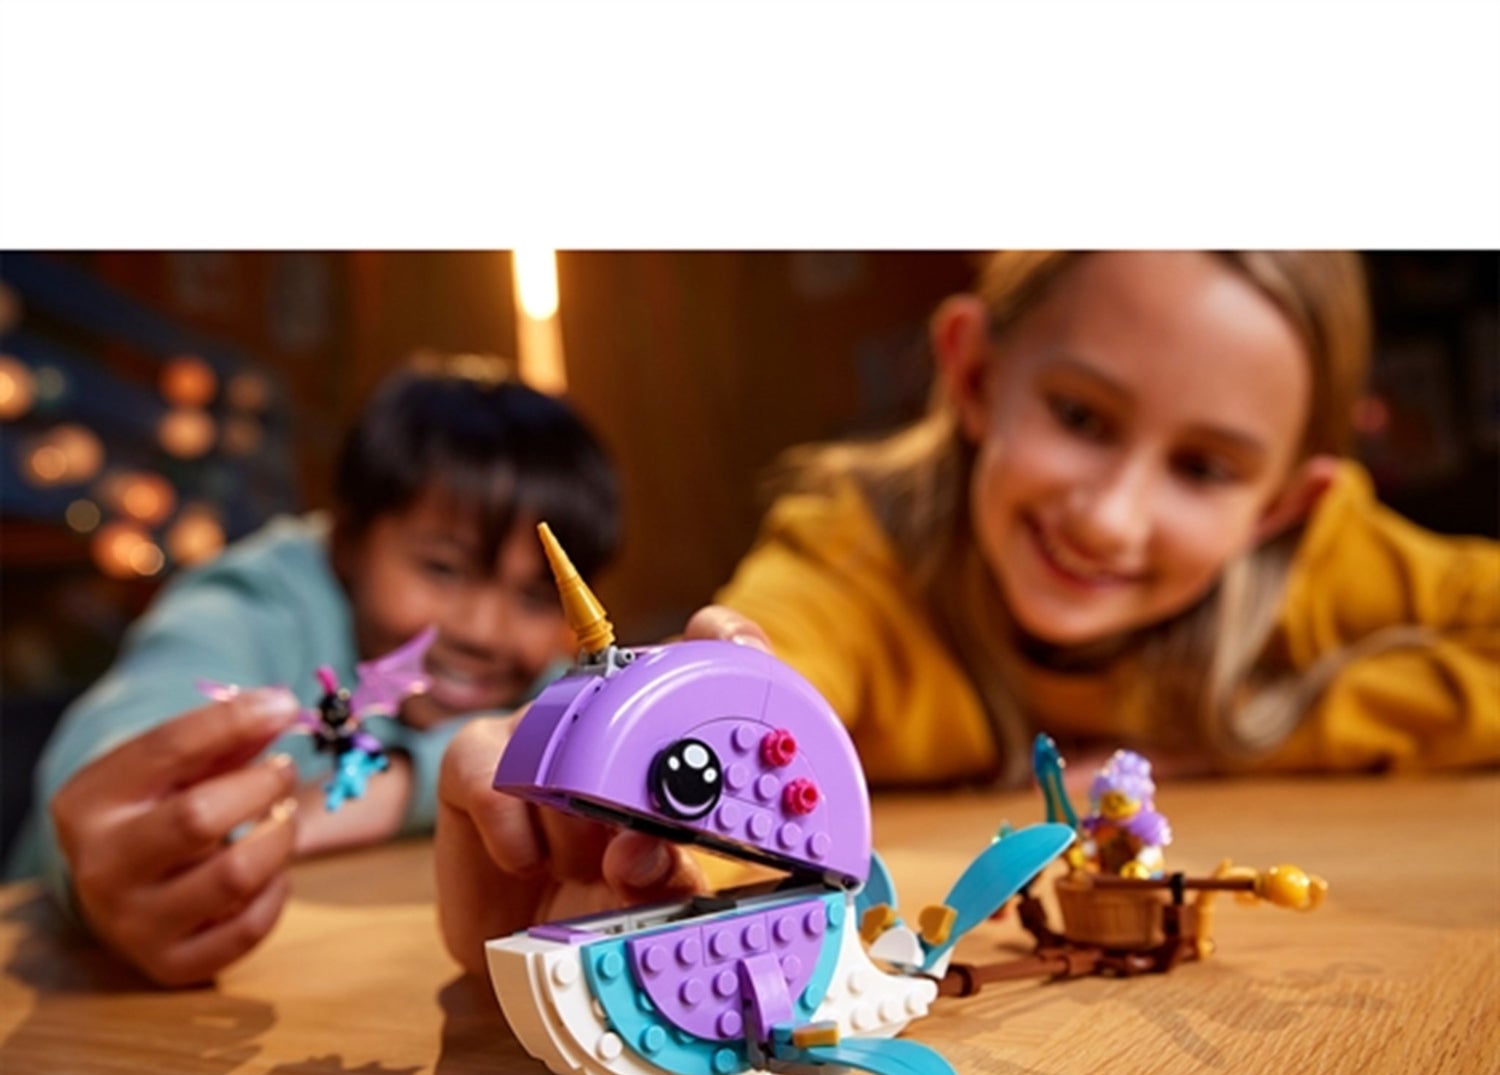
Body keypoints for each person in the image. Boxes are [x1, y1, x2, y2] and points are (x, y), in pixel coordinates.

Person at [433, 250, 1500, 980]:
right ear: (976, 376)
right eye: (1080, 416)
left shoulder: (1323, 563)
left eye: (1205, 469)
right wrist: (629, 809)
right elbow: (765, 678)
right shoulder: (854, 551)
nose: (1111, 518)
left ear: (1280, 509)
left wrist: (1250, 730)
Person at [11, 354, 625, 986]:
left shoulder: (543, 676)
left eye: (536, 597)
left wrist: (399, 781)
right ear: (347, 541)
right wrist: (109, 844)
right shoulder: (250, 605)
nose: (483, 632)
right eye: (443, 569)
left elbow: (573, 732)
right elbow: (129, 731)